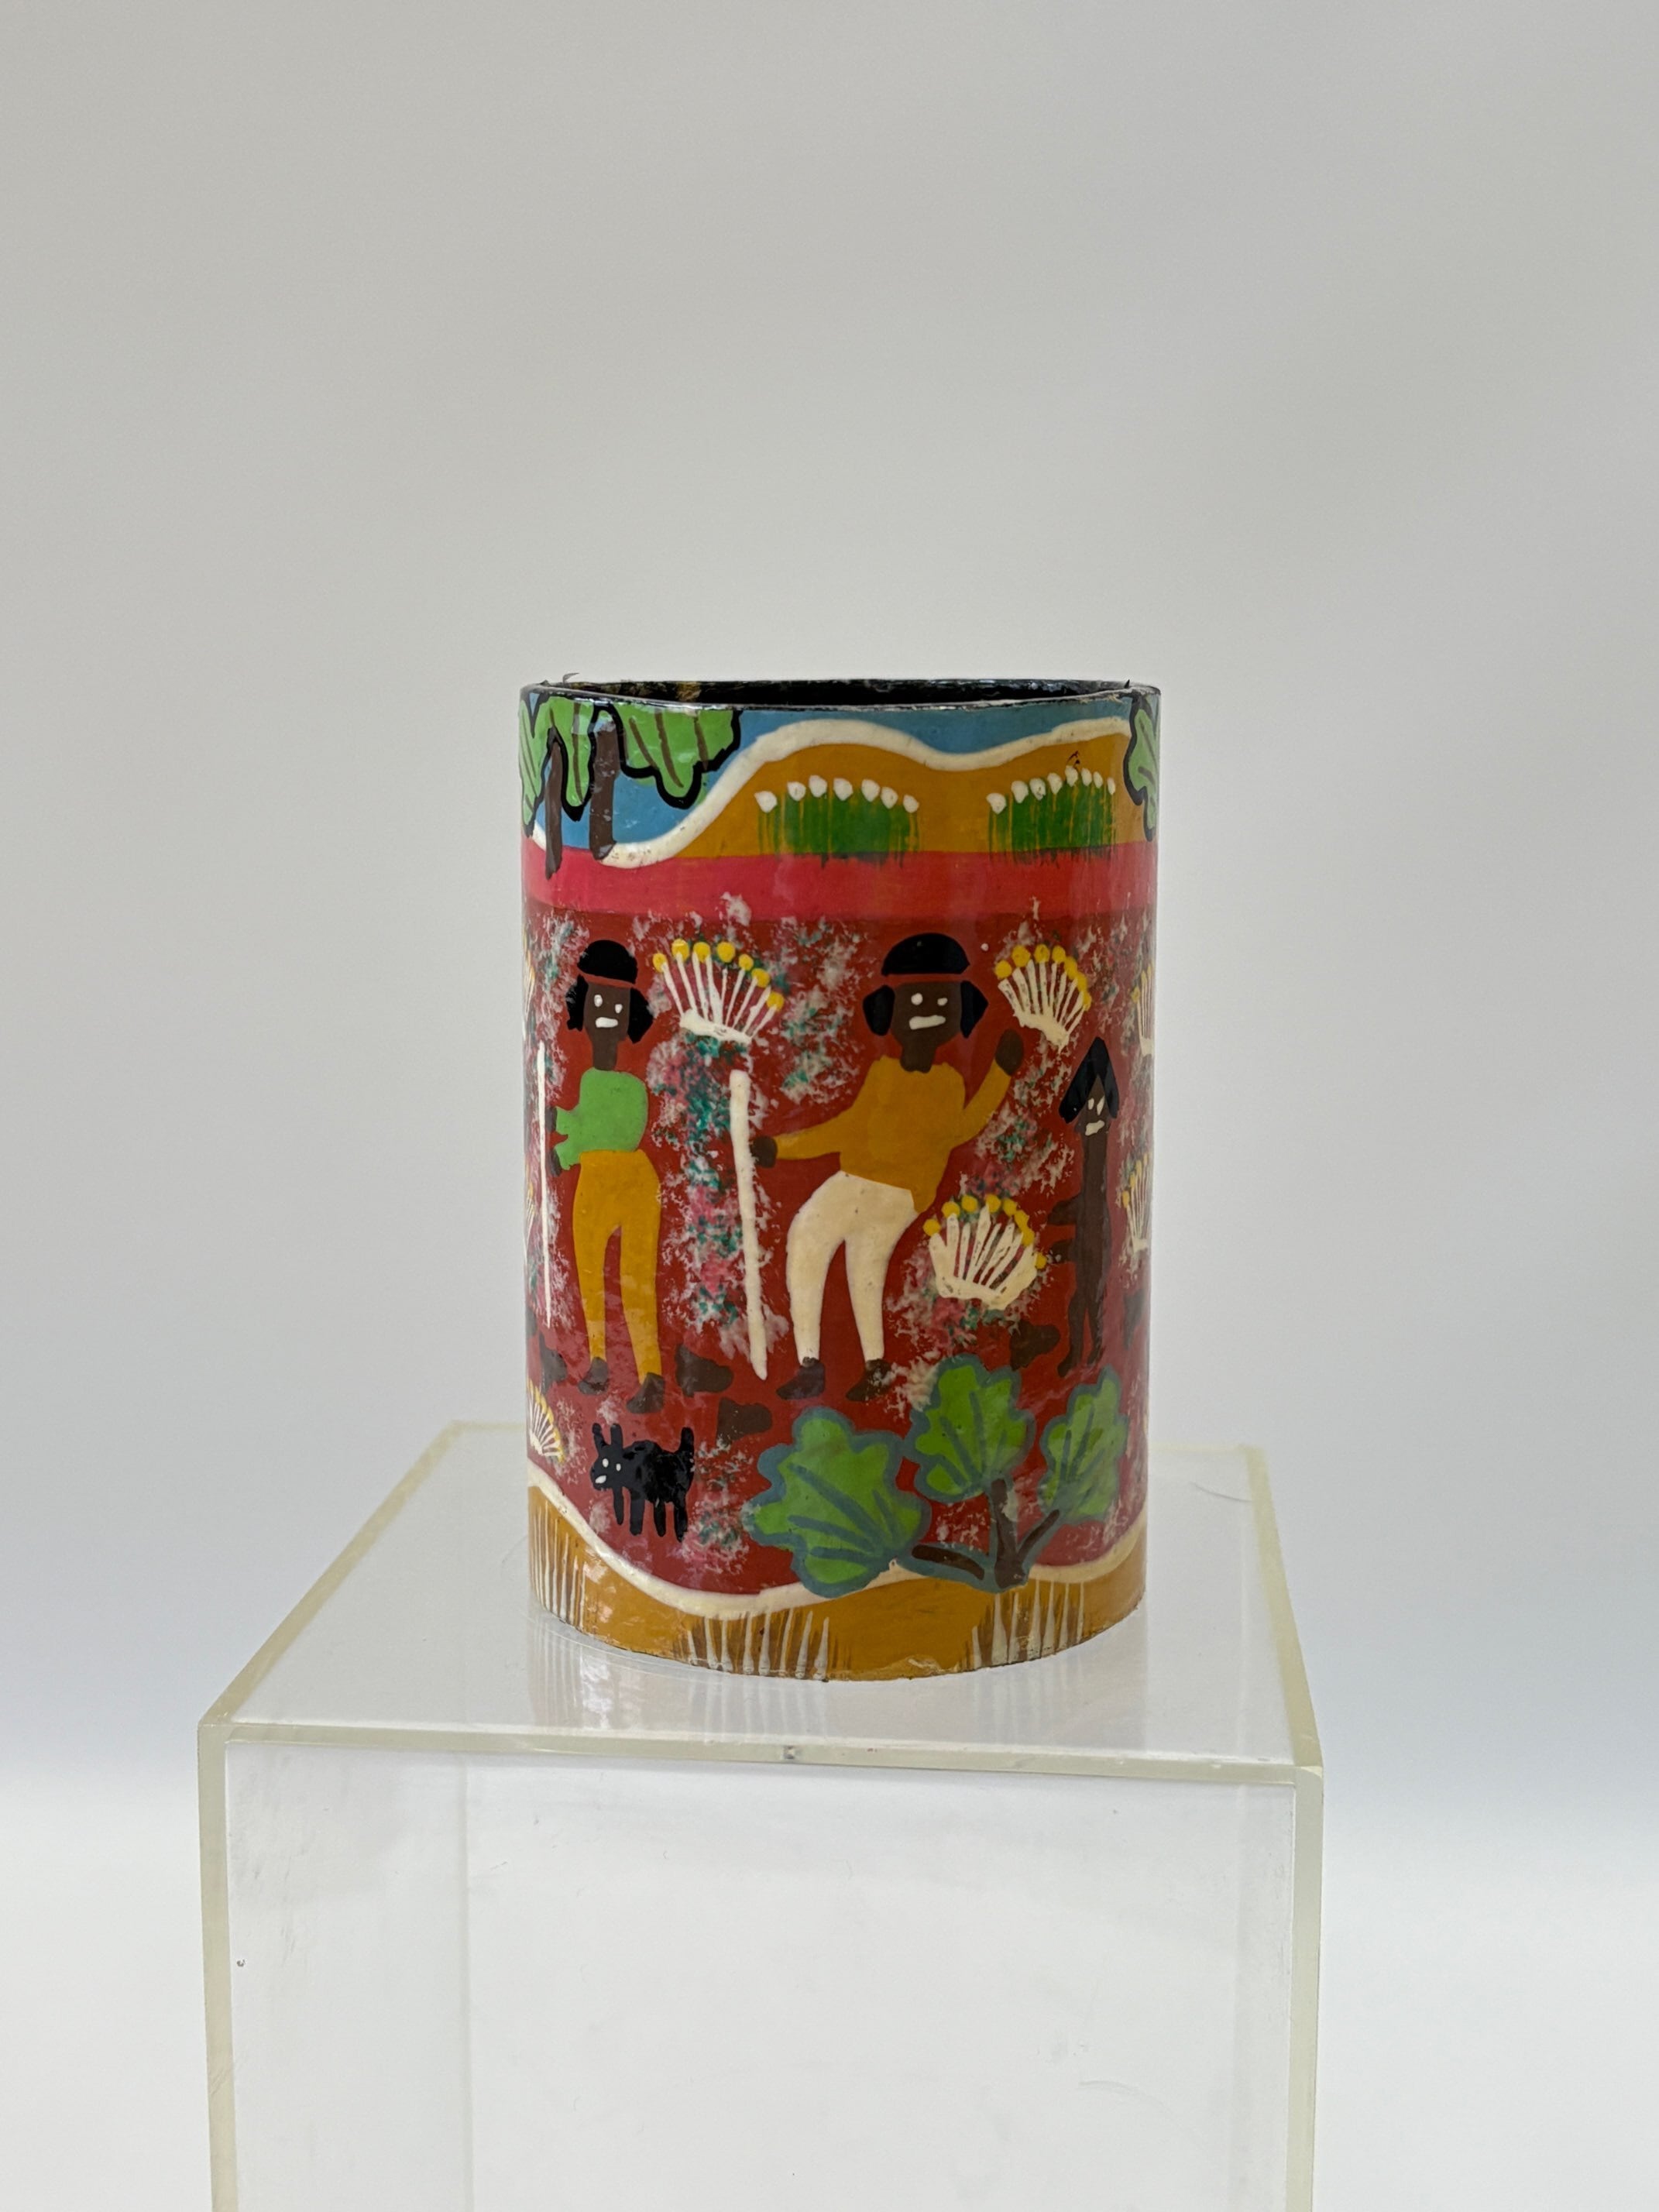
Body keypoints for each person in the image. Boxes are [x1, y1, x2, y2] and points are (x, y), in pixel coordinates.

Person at [752, 933, 1024, 1401]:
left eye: (942, 1003)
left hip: (898, 1192)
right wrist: (781, 1147)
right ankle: (844, 1364)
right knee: (834, 1252)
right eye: (913, 1001)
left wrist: (1000, 1072)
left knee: (835, 1249)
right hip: (861, 1181)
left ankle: (827, 1364)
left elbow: (962, 1128)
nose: (927, 1011)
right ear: (890, 1013)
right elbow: (847, 1129)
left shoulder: (947, 1083)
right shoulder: (884, 1075)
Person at [550, 940, 664, 1414]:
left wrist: (567, 1150)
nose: (605, 1016)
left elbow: (616, 1132)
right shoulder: (590, 1081)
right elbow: (583, 1122)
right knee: (590, 1274)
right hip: (595, 1181)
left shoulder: (632, 1087)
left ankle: (651, 1374)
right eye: (597, 1004)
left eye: (616, 1008)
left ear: (630, 1016)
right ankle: (598, 1359)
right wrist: (557, 1123)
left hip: (631, 1181)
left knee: (636, 1280)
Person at [1050, 1036, 1121, 1375]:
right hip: (1088, 1243)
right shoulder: (1091, 1190)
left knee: (1091, 1303)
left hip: (1095, 1246)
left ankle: (1095, 1352)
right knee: (1079, 1305)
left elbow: (1091, 1201)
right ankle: (1082, 1353)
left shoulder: (1097, 1185)